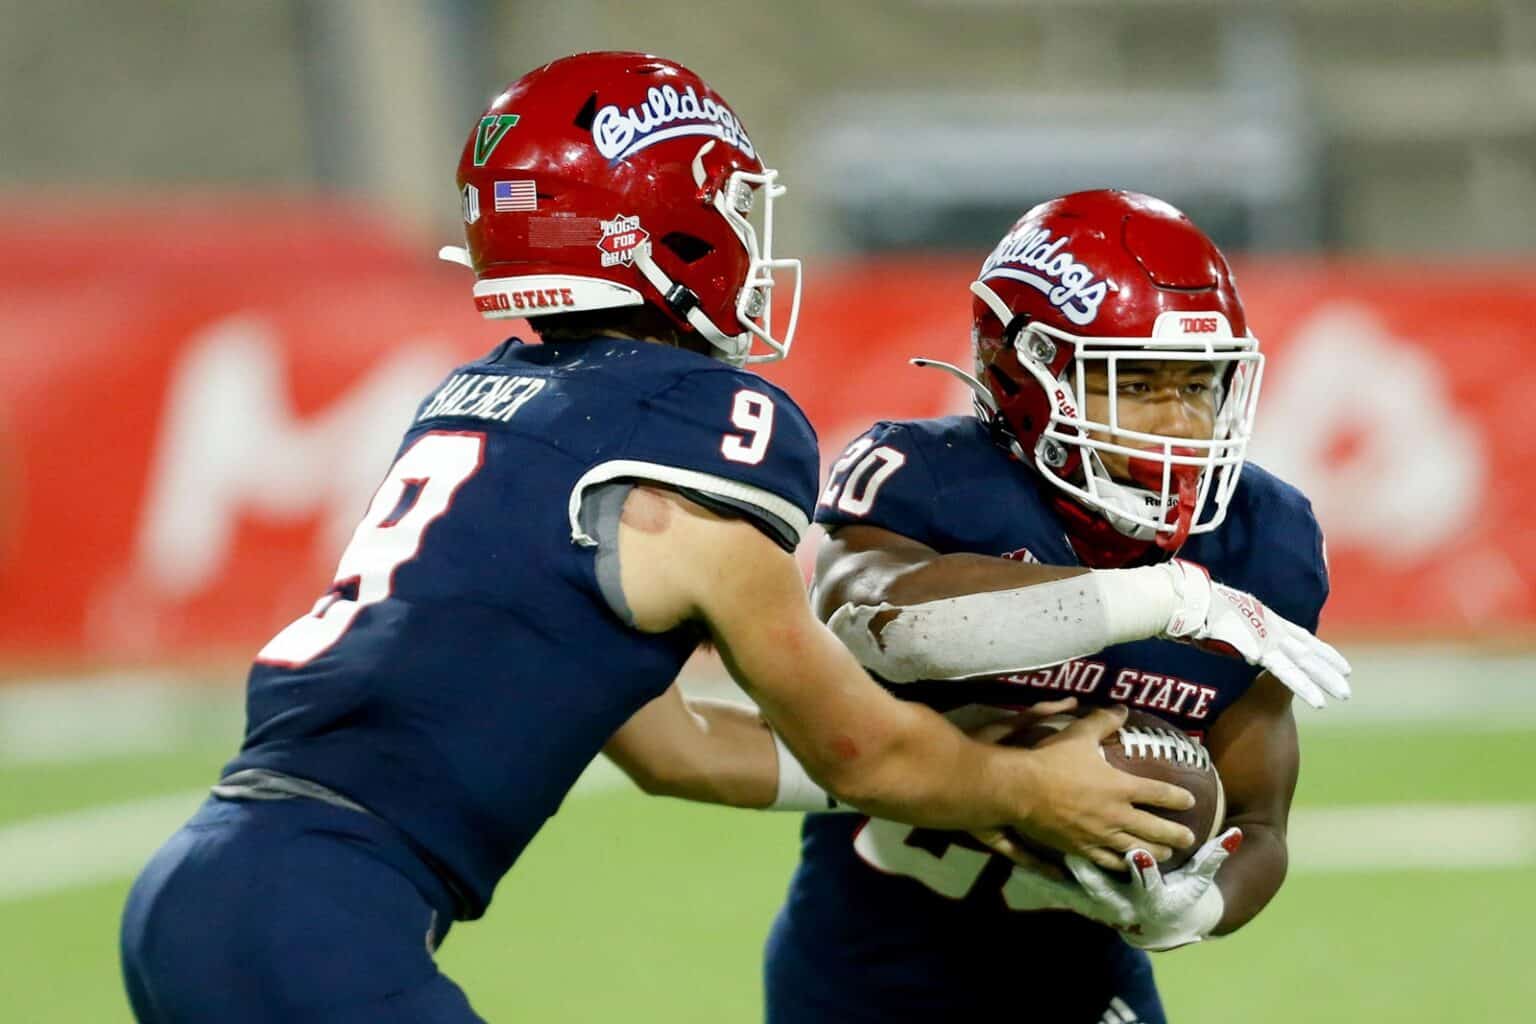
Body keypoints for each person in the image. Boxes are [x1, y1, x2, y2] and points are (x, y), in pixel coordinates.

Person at [117, 59, 1195, 1023]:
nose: (748, 237)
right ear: (656, 228)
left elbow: (676, 745)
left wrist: (947, 774)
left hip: (215, 891)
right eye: (726, 205)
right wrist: (1028, 788)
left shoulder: (484, 403)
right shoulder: (698, 429)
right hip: (320, 918)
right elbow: (856, 743)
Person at [755, 190, 1351, 1023]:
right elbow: (877, 627)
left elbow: (1260, 820)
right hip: (872, 971)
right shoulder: (936, 482)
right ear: (1028, 374)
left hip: (1084, 983)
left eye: (1199, 384)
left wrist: (1203, 908)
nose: (1179, 421)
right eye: (1136, 382)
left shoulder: (1265, 538)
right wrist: (1158, 599)